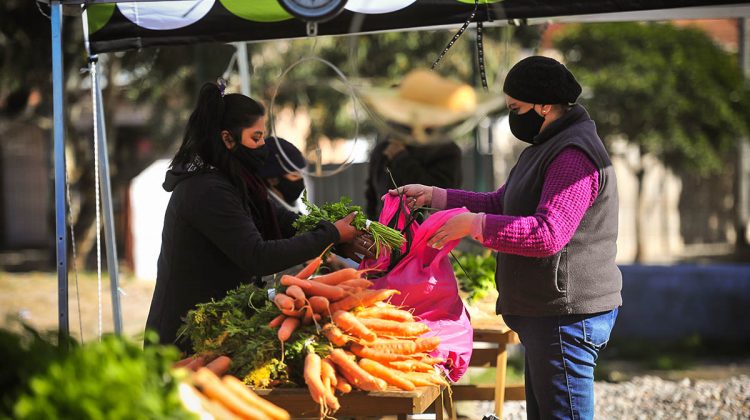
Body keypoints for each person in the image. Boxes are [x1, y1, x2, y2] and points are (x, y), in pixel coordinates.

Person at [391, 56, 621, 419]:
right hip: (546, 314)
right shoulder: (547, 145)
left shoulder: (573, 155)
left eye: (516, 108)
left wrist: (474, 225)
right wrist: (437, 197)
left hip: (565, 315)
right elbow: (503, 201)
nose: (512, 116)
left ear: (544, 105)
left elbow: (548, 234)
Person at [146, 83, 371, 352]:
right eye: (256, 138)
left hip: (215, 329)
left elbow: (286, 222)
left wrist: (334, 238)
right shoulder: (206, 190)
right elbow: (257, 255)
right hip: (183, 339)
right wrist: (331, 234)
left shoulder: (233, 181)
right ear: (228, 139)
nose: (263, 145)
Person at [363, 69, 468, 220]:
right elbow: (371, 197)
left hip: (428, 235)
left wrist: (401, 159)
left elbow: (442, 195)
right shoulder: (383, 149)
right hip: (385, 236)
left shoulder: (445, 149)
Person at [257, 136, 307, 213]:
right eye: (294, 175)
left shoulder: (294, 210)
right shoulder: (263, 213)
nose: (301, 179)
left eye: (301, 174)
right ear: (272, 180)